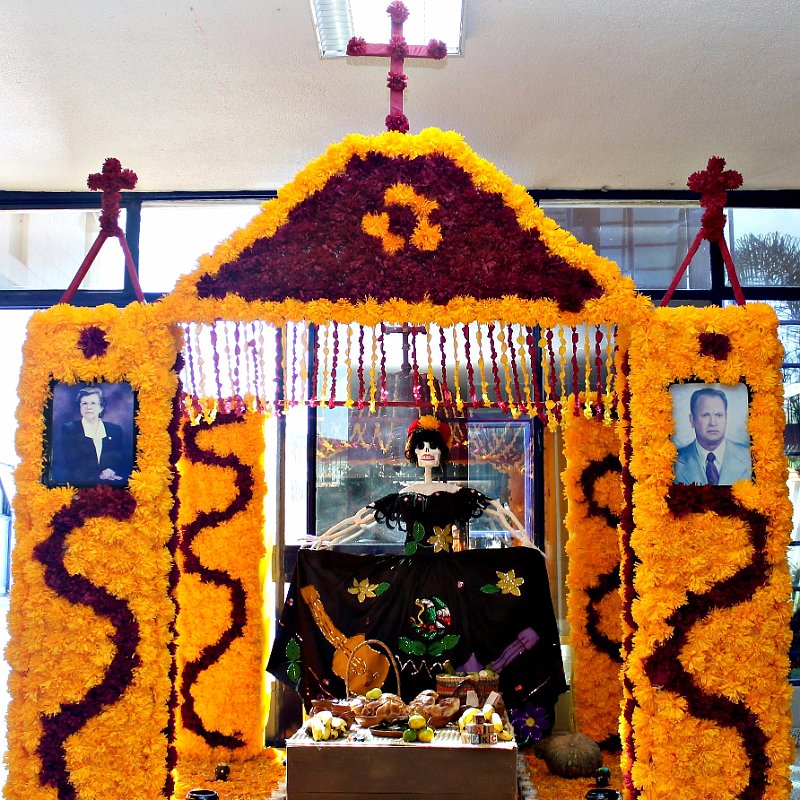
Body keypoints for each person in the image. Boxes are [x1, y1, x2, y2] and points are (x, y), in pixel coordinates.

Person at [310, 415, 534, 550]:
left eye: (433, 446)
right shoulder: (404, 495)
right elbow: (361, 520)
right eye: (421, 446)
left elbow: (496, 510)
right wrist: (326, 538)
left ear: (441, 452)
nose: (427, 451)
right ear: (413, 451)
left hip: (448, 572)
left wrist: (526, 541)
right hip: (411, 571)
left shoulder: (456, 493)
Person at [673, 386, 752, 486]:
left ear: (726, 418)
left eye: (719, 415)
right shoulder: (674, 461)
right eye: (705, 415)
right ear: (692, 420)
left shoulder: (749, 458)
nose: (713, 423)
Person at [57, 386, 130, 486]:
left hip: (111, 484)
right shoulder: (70, 429)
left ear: (101, 407)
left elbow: (120, 458)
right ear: (80, 407)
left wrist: (112, 470)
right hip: (81, 484)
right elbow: (71, 463)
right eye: (84, 403)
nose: (88, 407)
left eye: (93, 403)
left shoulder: (115, 430)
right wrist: (99, 476)